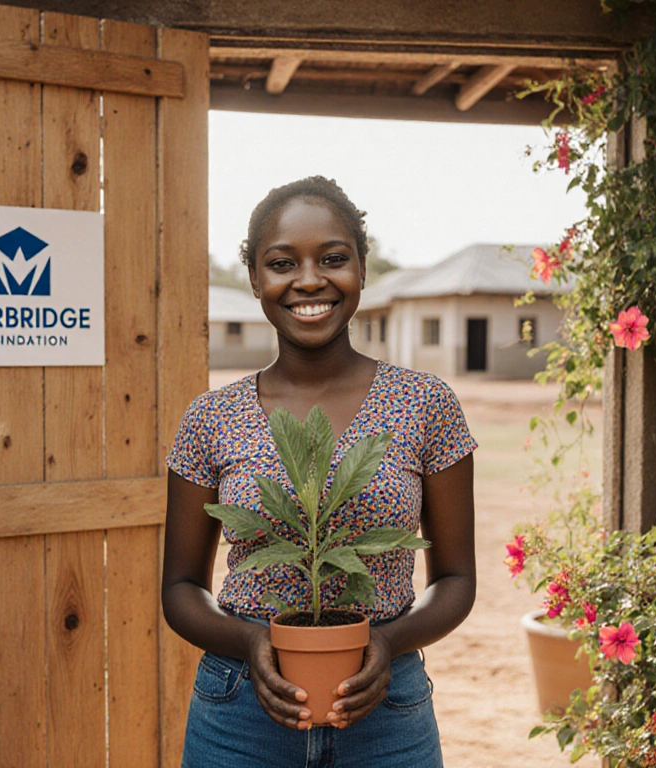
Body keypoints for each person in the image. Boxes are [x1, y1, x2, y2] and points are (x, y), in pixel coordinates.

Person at [162, 176, 477, 767]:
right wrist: (253, 641)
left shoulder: (425, 403)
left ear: (362, 267)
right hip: (240, 715)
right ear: (255, 278)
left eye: (333, 258)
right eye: (282, 263)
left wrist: (385, 641)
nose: (309, 280)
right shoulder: (210, 416)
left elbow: (456, 578)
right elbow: (180, 589)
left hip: (386, 713)